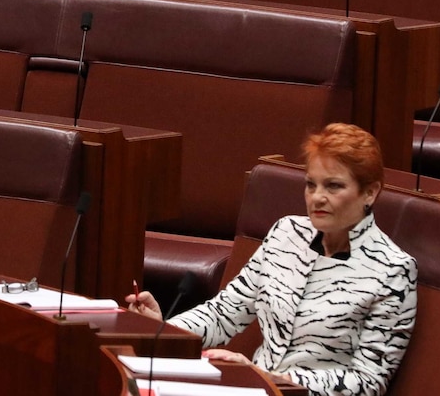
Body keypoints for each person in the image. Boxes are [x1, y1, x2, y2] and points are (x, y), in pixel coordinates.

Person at [127, 123, 417, 396]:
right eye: (311, 185)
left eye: (333, 186)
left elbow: (369, 382)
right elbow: (225, 313)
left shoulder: (392, 270)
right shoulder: (286, 233)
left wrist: (267, 377)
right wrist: (166, 330)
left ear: (370, 192)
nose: (317, 198)